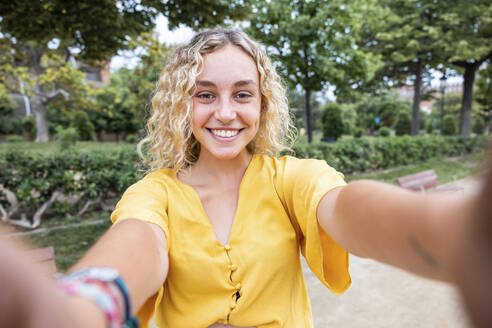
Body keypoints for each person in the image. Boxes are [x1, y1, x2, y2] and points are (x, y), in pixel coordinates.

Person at [0, 28, 491, 328]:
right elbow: (137, 243)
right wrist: (81, 308)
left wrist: (460, 234)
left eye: (243, 94)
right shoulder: (155, 193)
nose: (226, 113)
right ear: (181, 104)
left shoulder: (292, 179)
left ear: (263, 104)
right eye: (205, 94)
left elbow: (347, 210)